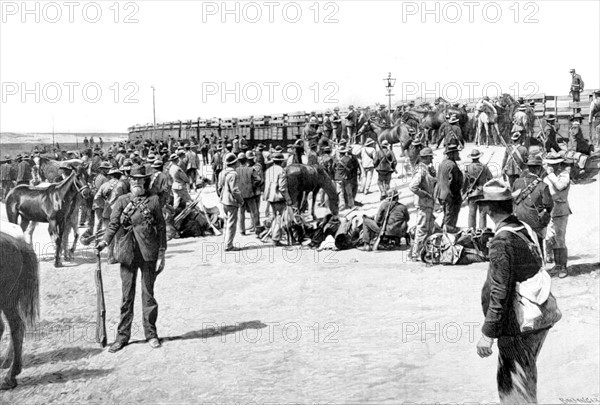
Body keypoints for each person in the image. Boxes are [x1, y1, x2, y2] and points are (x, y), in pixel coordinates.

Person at [476, 178, 556, 404]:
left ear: (488, 208)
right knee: (525, 379)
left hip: (517, 325)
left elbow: (500, 291)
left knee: (513, 389)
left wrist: (487, 334)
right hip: (535, 319)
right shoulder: (524, 228)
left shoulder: (502, 241)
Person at [96, 165, 166, 353]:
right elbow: (112, 225)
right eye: (133, 178)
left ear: (145, 180)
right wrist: (104, 242)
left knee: (148, 296)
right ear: (129, 180)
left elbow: (161, 226)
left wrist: (162, 251)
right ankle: (122, 337)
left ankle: (151, 334)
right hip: (127, 253)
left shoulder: (154, 201)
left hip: (149, 253)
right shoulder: (121, 201)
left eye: (140, 178)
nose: (136, 181)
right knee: (127, 297)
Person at [512, 155, 553, 249]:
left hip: (519, 219)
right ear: (539, 169)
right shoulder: (542, 185)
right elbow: (549, 204)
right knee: (540, 244)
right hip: (535, 220)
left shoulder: (516, 182)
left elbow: (513, 199)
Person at [543, 152, 571, 278]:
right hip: (550, 210)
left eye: (552, 164)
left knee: (560, 239)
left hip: (560, 210)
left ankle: (563, 266)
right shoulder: (549, 175)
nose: (550, 166)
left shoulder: (564, 175)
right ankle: (557, 264)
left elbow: (560, 186)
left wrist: (551, 174)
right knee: (552, 239)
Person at [409, 147, 437, 260]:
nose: (432, 159)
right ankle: (416, 253)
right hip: (423, 203)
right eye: (430, 157)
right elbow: (413, 186)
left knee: (428, 229)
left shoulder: (426, 169)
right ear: (425, 158)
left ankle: (423, 251)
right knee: (422, 230)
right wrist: (424, 194)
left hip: (428, 204)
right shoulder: (421, 170)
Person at [263, 152, 293, 246]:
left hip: (270, 196)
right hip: (278, 197)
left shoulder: (269, 170)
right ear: (281, 161)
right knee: (279, 217)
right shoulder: (281, 170)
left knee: (274, 216)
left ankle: (271, 235)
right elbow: (282, 188)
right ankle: (276, 239)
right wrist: (288, 199)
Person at [217, 153, 244, 251]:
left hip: (223, 200)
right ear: (234, 163)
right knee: (232, 224)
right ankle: (229, 245)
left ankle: (226, 243)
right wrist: (240, 200)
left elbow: (219, 187)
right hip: (231, 201)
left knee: (226, 223)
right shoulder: (234, 174)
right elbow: (234, 190)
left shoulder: (221, 173)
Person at [435, 142, 463, 231]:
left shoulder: (442, 163)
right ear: (452, 154)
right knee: (451, 216)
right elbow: (453, 183)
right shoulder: (452, 165)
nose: (458, 154)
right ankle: (448, 234)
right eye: (456, 152)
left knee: (446, 214)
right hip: (450, 195)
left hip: (441, 193)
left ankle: (444, 230)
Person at [462, 149, 493, 230]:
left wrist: (464, 193)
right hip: (482, 193)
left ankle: (471, 231)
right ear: (479, 157)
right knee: (482, 214)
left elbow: (464, 182)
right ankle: (482, 231)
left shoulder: (467, 168)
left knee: (471, 213)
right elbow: (491, 179)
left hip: (471, 193)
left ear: (472, 158)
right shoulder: (484, 167)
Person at [236, 152, 261, 235]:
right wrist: (252, 185)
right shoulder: (251, 169)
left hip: (240, 195)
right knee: (254, 211)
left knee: (241, 213)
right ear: (246, 160)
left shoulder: (235, 171)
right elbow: (258, 179)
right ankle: (257, 228)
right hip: (250, 194)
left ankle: (242, 230)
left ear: (238, 161)